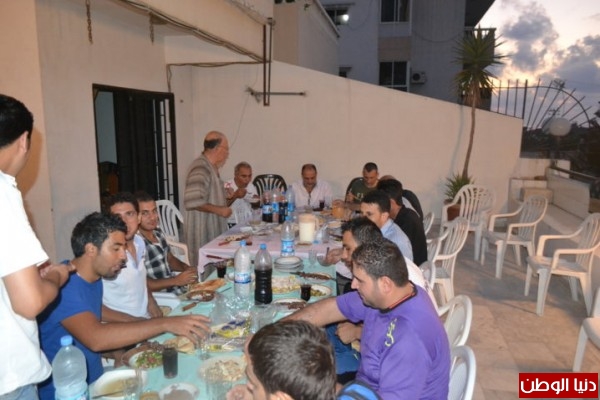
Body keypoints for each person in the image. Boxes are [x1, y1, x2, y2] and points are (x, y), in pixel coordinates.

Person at [37, 212, 210, 400]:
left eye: (124, 247)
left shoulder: (91, 276)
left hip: (98, 380)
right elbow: (96, 337)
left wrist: (128, 340)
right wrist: (165, 324)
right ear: (91, 249)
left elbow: (93, 311)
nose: (124, 257)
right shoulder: (65, 287)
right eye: (116, 248)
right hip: (69, 393)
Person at [286, 241, 450, 400]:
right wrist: (276, 332)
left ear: (385, 284)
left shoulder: (409, 339)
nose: (353, 285)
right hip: (364, 384)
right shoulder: (390, 295)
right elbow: (329, 309)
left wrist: (317, 387)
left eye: (360, 280)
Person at [0, 94, 74, 400]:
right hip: (8, 377)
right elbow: (29, 302)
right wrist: (55, 276)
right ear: (23, 141)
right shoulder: (3, 195)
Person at [103, 192, 161, 320]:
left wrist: (150, 300)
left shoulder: (139, 243)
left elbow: (139, 279)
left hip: (146, 318)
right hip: (121, 326)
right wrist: (134, 322)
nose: (124, 222)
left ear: (139, 217)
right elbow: (92, 305)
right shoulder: (104, 254)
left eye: (129, 214)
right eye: (117, 216)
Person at [184, 131, 231, 267]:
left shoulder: (211, 166)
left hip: (213, 229)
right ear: (217, 149)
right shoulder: (200, 167)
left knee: (216, 268)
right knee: (205, 270)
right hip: (202, 230)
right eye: (226, 149)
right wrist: (220, 210)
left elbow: (207, 192)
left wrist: (223, 193)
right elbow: (192, 201)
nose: (227, 154)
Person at [136, 191, 198, 294]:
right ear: (136, 216)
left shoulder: (158, 233)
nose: (152, 217)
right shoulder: (136, 244)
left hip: (175, 290)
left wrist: (186, 269)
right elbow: (142, 283)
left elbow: (169, 259)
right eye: (145, 213)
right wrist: (176, 280)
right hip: (160, 297)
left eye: (154, 211)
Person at [377, 179, 428, 265]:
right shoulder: (402, 214)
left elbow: (393, 252)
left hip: (412, 267)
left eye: (380, 201)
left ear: (391, 202)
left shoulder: (407, 221)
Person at [360, 190, 413, 262]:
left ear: (384, 216)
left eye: (369, 214)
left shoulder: (397, 242)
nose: (363, 218)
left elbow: (404, 268)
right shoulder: (372, 229)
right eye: (361, 213)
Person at [224, 161, 258, 227]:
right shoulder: (227, 185)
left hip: (247, 221)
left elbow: (256, 206)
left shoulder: (250, 185)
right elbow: (222, 206)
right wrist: (235, 196)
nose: (247, 179)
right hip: (231, 223)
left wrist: (257, 200)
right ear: (236, 175)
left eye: (249, 176)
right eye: (244, 176)